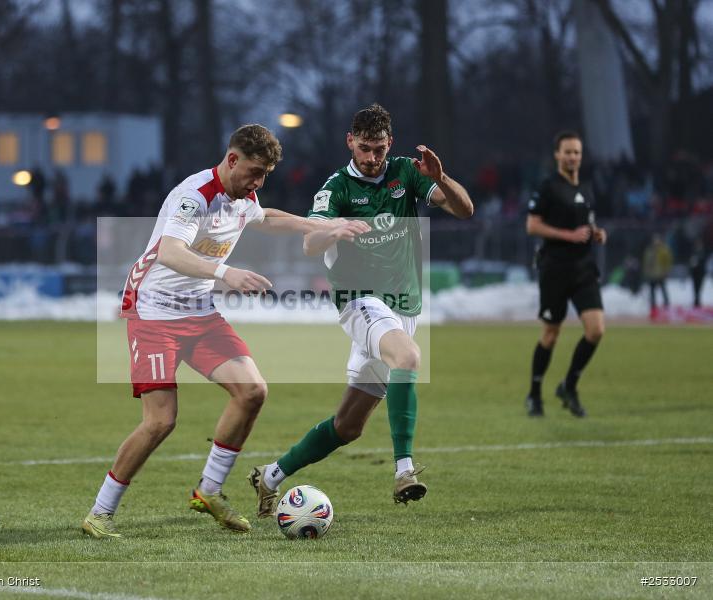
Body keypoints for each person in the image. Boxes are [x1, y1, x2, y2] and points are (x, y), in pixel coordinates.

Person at [81, 124, 327, 539]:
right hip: (154, 310)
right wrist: (226, 272)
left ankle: (208, 491)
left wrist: (312, 226)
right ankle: (100, 513)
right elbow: (170, 252)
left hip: (198, 312)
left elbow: (264, 217)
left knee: (252, 391)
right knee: (161, 421)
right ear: (232, 160)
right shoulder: (193, 196)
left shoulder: (243, 196)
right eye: (254, 171)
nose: (259, 182)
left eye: (265, 174)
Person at [247, 103, 474, 518]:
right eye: (365, 148)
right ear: (350, 142)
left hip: (401, 310)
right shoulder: (335, 189)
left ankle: (271, 476)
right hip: (360, 302)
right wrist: (332, 228)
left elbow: (464, 209)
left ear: (391, 145)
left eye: (380, 149)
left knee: (347, 426)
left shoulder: (406, 173)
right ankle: (404, 470)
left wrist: (441, 178)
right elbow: (309, 244)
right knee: (408, 357)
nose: (373, 158)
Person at [523, 131, 608, 418]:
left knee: (596, 330)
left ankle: (569, 385)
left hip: (584, 269)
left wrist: (595, 233)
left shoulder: (587, 186)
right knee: (551, 333)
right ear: (558, 155)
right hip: (555, 269)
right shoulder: (548, 187)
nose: (573, 157)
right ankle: (534, 394)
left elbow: (587, 222)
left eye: (577, 153)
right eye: (568, 152)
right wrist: (568, 235)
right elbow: (532, 226)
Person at [643, 234, 673, 315]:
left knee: (663, 291)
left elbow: (668, 262)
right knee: (652, 293)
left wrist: (666, 271)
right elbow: (646, 263)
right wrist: (647, 272)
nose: (656, 242)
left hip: (660, 275)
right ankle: (653, 309)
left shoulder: (664, 250)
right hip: (652, 275)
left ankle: (667, 308)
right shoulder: (650, 250)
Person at [688, 238, 708, 308]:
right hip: (695, 273)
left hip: (701, 273)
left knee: (699, 288)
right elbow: (690, 262)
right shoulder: (693, 252)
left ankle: (698, 301)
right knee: (695, 288)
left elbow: (705, 262)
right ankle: (696, 302)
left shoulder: (703, 251)